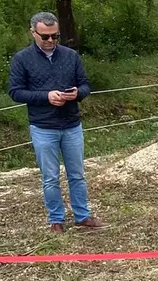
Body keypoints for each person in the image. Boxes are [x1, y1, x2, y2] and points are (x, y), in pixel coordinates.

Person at [7, 12, 105, 233]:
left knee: (77, 174)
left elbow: (86, 85)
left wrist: (77, 94)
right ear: (33, 33)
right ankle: (56, 221)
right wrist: (46, 96)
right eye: (45, 36)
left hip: (71, 124)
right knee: (50, 177)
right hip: (43, 127)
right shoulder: (22, 59)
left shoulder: (71, 56)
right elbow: (15, 92)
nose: (51, 41)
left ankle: (82, 216)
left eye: (55, 36)